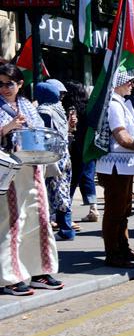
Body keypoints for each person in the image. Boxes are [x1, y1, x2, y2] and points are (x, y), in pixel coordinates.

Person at [0, 64, 63, 295]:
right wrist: (8, 127)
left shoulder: (27, 104)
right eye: (0, 83)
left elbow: (40, 132)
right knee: (12, 224)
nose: (5, 88)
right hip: (8, 171)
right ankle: (9, 278)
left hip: (33, 167)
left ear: (19, 84)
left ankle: (39, 271)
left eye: (9, 83)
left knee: (39, 219)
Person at [96, 68, 134, 269]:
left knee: (123, 210)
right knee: (115, 211)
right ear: (119, 82)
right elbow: (121, 136)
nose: (132, 83)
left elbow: (127, 134)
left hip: (122, 165)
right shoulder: (114, 104)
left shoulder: (119, 103)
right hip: (115, 166)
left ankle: (123, 247)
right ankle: (113, 253)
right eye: (128, 81)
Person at [36, 80, 74, 242]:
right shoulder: (59, 109)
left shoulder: (44, 110)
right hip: (64, 155)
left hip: (52, 157)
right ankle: (64, 226)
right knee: (62, 191)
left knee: (55, 193)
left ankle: (66, 229)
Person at [64, 80, 99, 223]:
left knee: (72, 178)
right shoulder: (88, 107)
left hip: (75, 147)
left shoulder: (70, 109)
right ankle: (93, 208)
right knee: (88, 176)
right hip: (88, 146)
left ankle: (67, 207)